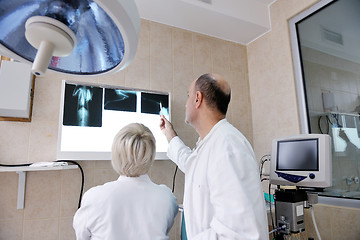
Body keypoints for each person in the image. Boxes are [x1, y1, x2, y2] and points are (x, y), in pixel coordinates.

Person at [160, 73, 268, 239]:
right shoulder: (213, 143)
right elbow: (191, 165)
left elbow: (237, 232)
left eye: (188, 96)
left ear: (197, 98)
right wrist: (170, 135)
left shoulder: (228, 145)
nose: (186, 103)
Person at [73, 123, 178, 240]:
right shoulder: (167, 197)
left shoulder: (94, 197)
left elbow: (82, 236)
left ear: (115, 154)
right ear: (150, 156)